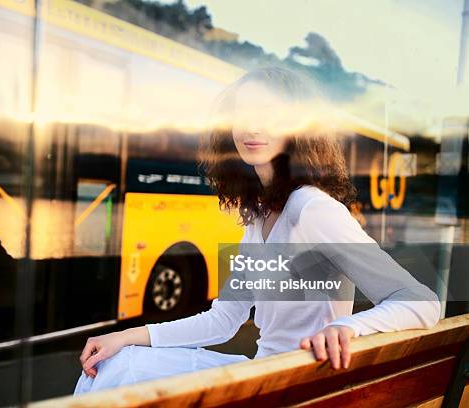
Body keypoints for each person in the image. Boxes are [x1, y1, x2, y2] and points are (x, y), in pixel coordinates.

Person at [73, 66, 441, 395]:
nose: (251, 126)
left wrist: (347, 327)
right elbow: (224, 320)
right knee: (114, 362)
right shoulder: (257, 215)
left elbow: (421, 301)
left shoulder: (313, 209)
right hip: (267, 375)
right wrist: (124, 337)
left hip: (296, 385)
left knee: (118, 373)